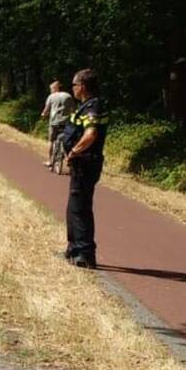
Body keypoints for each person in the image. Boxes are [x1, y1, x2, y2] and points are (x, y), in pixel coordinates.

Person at [62, 68, 109, 269]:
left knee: (80, 208)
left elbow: (90, 135)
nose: (72, 88)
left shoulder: (93, 108)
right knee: (74, 206)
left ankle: (85, 253)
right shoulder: (87, 106)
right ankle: (74, 248)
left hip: (86, 162)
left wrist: (73, 152)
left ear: (82, 86)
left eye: (74, 84)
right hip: (82, 164)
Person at [41, 80, 75, 167]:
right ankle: (68, 158)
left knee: (51, 141)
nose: (51, 91)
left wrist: (43, 114)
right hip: (66, 122)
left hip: (54, 122)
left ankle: (50, 161)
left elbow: (47, 109)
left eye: (51, 89)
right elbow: (73, 109)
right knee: (68, 140)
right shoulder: (68, 96)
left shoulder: (51, 97)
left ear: (55, 88)